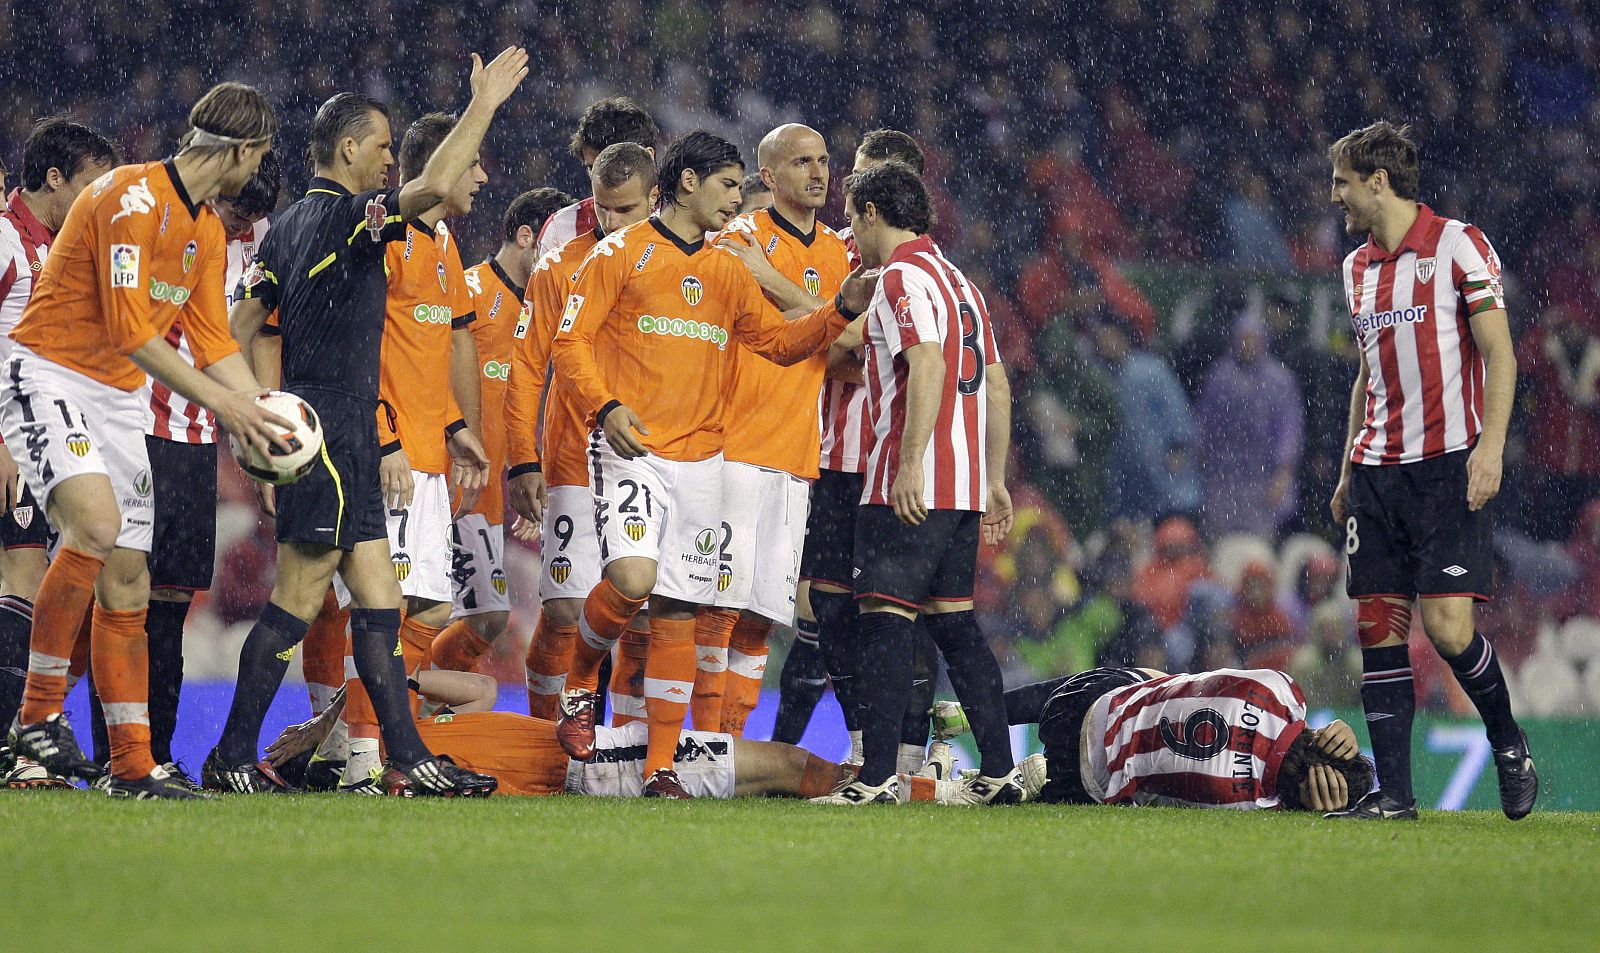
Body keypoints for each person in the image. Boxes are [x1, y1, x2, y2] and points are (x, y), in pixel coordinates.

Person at [208, 48, 528, 796]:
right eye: (383, 146)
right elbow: (439, 185)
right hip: (336, 435)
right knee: (293, 604)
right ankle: (230, 755)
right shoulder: (347, 221)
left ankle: (405, 759)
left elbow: (238, 321)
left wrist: (252, 410)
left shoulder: (284, 229)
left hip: (330, 431)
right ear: (348, 149)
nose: (390, 159)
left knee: (381, 606)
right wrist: (482, 103)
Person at [548, 130, 862, 798]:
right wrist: (605, 408)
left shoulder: (725, 267)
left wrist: (837, 311)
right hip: (636, 449)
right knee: (632, 579)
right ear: (688, 181)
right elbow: (568, 342)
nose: (734, 199)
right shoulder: (621, 253)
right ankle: (580, 680)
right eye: (727, 184)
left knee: (680, 610)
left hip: (706, 461)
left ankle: (662, 768)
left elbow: (778, 344)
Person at [2, 83, 288, 799]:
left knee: (129, 573)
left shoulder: (208, 232)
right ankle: (35, 718)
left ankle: (132, 761)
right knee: (94, 526)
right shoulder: (129, 198)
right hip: (50, 372)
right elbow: (135, 329)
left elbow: (213, 339)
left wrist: (260, 411)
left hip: (120, 396)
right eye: (258, 158)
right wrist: (225, 403)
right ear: (245, 153)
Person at [1326, 120, 1535, 820]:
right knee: (1379, 630)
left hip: (1449, 468)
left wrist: (1492, 446)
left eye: (1343, 183)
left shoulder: (1459, 246)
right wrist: (1346, 465)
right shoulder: (1355, 270)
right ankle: (1394, 796)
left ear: (1377, 181)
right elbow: (1367, 374)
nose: (1337, 197)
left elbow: (1500, 354)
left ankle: (1507, 741)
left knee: (1447, 631)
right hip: (1378, 474)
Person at [813, 161, 1017, 806]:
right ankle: (1001, 771)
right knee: (956, 626)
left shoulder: (900, 276)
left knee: (882, 619)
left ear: (872, 211)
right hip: (962, 485)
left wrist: (906, 463)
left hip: (911, 484)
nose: (850, 225)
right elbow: (997, 381)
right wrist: (996, 478)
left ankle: (874, 780)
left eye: (852, 215)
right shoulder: (959, 282)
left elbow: (924, 362)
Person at [85, 151, 283, 787]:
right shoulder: (165, 225)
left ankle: (157, 756)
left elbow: (241, 344)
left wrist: (261, 434)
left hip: (196, 438)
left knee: (168, 604)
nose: (233, 222)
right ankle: (110, 753)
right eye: (229, 207)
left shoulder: (253, 256)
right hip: (135, 427)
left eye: (246, 215)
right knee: (124, 595)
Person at [328, 111, 493, 791]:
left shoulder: (444, 242)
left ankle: (364, 741)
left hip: (427, 453)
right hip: (388, 453)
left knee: (428, 608)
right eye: (473, 162)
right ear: (443, 167)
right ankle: (361, 753)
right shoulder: (385, 236)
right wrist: (385, 437)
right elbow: (356, 349)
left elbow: (428, 350)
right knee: (382, 608)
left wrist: (457, 426)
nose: (482, 175)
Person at [689, 123, 851, 739]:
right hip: (736, 446)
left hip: (795, 454)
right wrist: (828, 318)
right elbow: (823, 337)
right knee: (719, 606)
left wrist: (788, 293)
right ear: (772, 175)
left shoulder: (836, 255)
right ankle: (702, 739)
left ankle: (726, 742)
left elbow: (854, 348)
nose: (818, 173)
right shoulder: (737, 240)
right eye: (802, 162)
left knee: (762, 617)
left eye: (824, 160)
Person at [797, 129, 936, 765]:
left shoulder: (916, 269)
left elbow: (864, 350)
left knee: (903, 609)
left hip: (886, 460)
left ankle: (911, 750)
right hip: (829, 456)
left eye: (865, 180)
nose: (850, 192)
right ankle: (861, 742)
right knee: (826, 602)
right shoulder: (830, 250)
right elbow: (819, 344)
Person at [507, 143, 658, 721]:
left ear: (655, 199)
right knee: (567, 608)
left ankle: (627, 744)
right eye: (602, 210)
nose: (612, 223)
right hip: (572, 456)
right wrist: (523, 459)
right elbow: (526, 368)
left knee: (641, 611)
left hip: (652, 459)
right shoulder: (559, 266)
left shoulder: (678, 264)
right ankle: (546, 740)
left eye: (625, 210)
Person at [0, 117, 117, 788]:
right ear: (54, 179)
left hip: (33, 440)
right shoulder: (8, 240)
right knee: (21, 581)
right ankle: (19, 741)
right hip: (11, 442)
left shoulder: (53, 246)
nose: (100, 195)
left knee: (28, 579)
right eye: (92, 182)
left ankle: (21, 737)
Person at [261, 682, 853, 800]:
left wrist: (332, 713)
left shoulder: (420, 734)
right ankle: (888, 789)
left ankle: (865, 787)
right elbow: (513, 789)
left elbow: (482, 687)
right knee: (793, 765)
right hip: (600, 763)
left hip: (601, 749)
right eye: (315, 735)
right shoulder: (426, 767)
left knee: (780, 778)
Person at [430, 187, 573, 675]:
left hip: (489, 491)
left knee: (488, 618)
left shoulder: (548, 316)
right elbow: (427, 377)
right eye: (557, 246)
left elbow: (523, 406)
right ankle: (391, 715)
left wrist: (527, 476)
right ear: (526, 236)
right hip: (446, 479)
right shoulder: (468, 292)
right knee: (425, 609)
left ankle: (423, 705)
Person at [927, 667, 1374, 812]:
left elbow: (1207, 681)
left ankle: (969, 715)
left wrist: (1319, 731)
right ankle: (958, 785)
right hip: (1082, 776)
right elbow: (1156, 795)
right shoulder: (1247, 800)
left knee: (1157, 680)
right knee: (1139, 776)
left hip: (1087, 697)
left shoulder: (1281, 688)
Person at [535, 97, 660, 258]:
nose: (601, 178)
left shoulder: (688, 226)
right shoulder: (562, 231)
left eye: (616, 168)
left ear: (648, 157)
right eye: (592, 168)